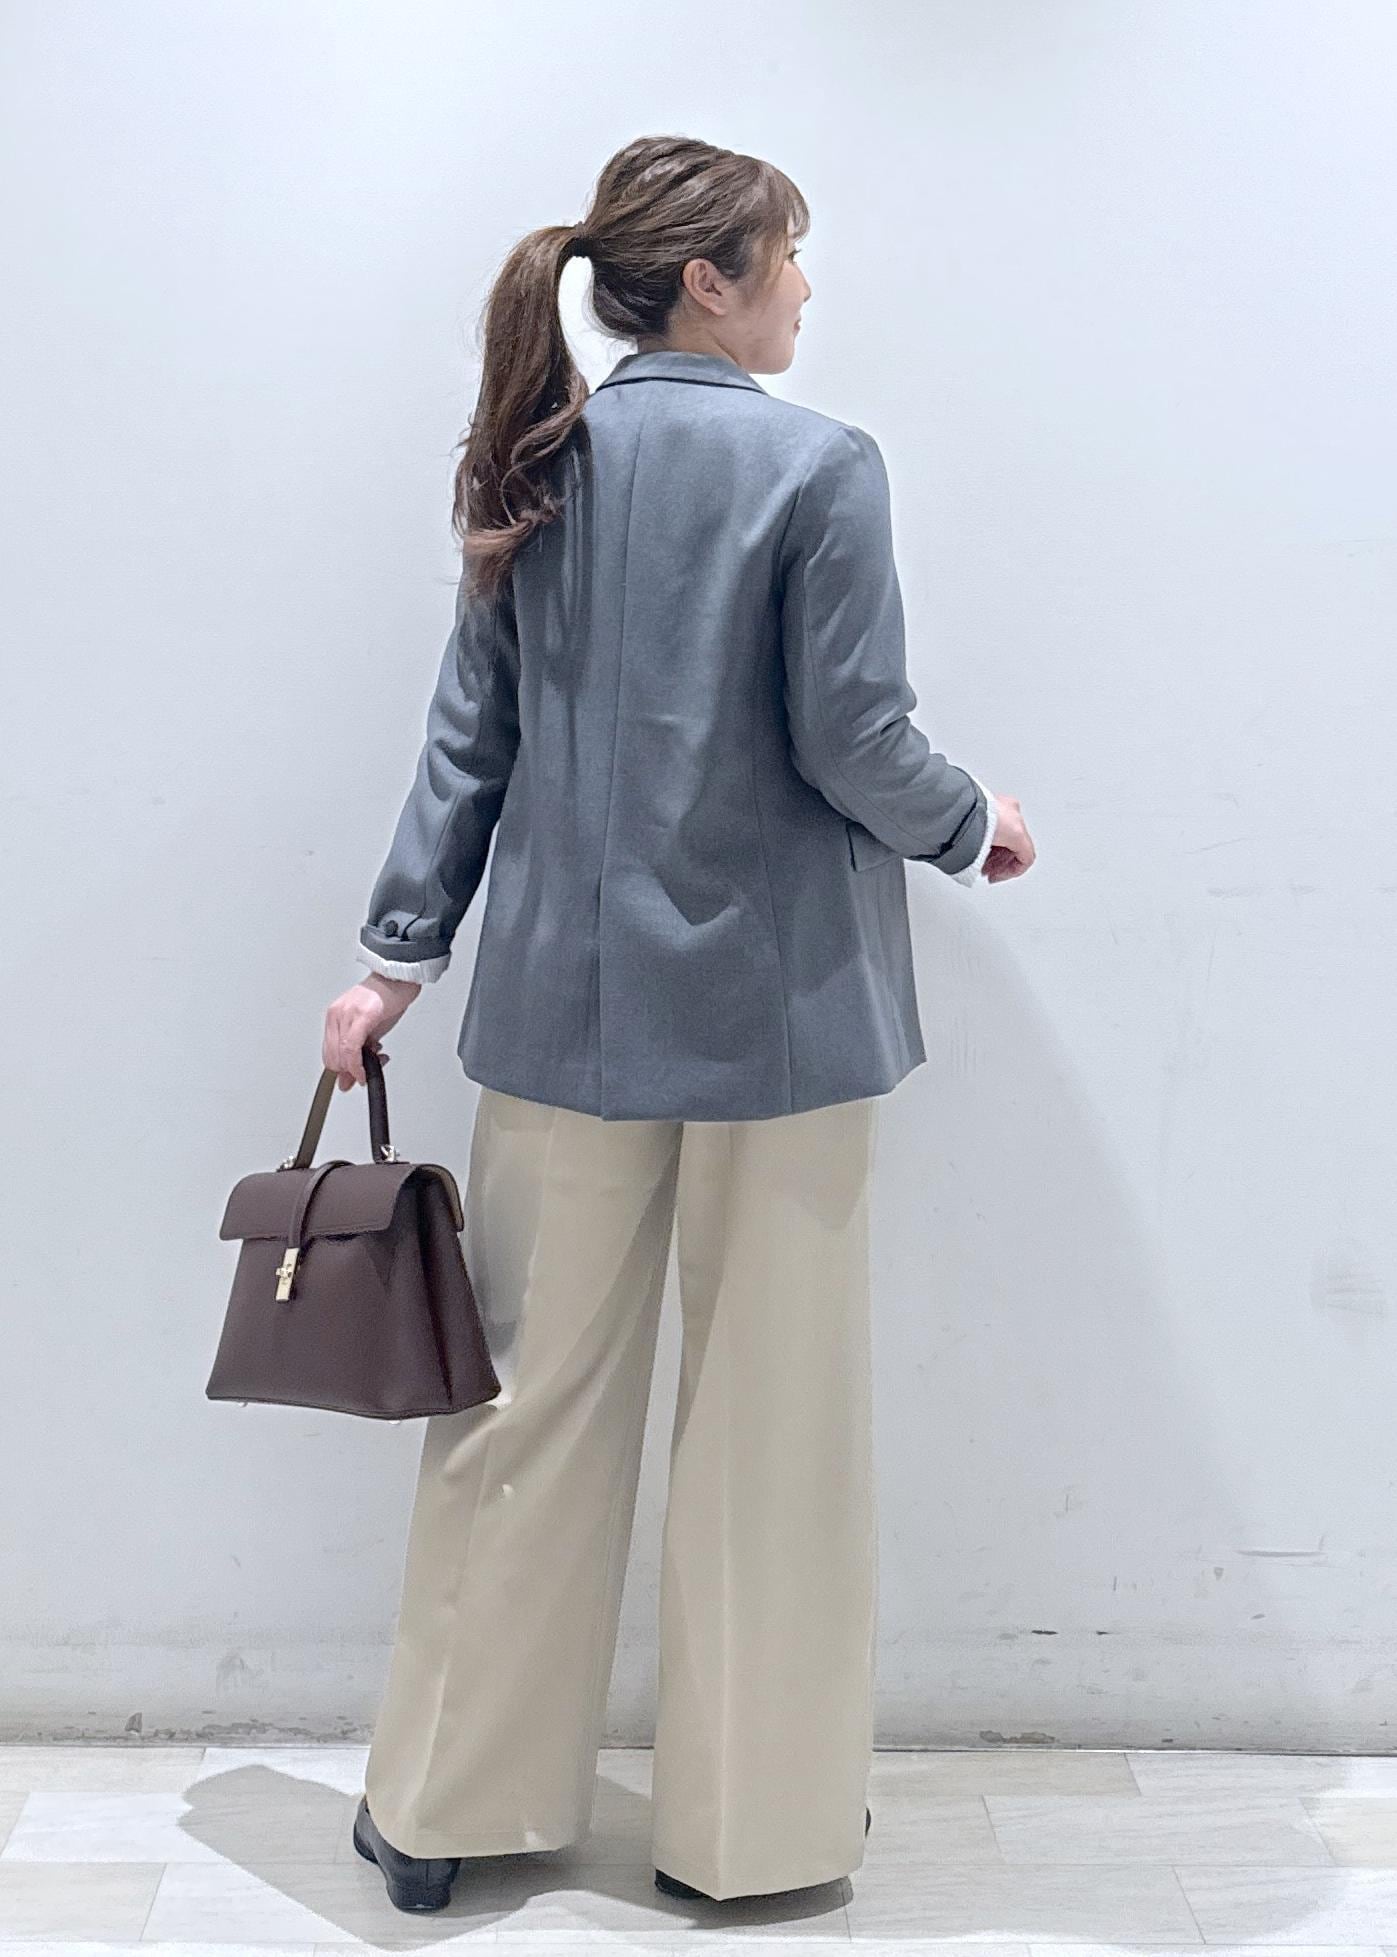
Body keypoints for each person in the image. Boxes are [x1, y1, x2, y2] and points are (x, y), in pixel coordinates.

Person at [322, 133, 1035, 1917]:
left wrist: (395, 956)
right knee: (771, 1426)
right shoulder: (818, 466)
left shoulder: (538, 459)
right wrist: (972, 824)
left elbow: (467, 737)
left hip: (561, 1018)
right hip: (780, 1026)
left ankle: (441, 1805)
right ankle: (750, 1838)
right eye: (787, 257)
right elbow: (854, 738)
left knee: (517, 1404)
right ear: (709, 281)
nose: (805, 287)